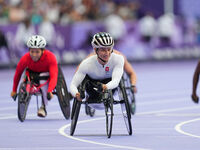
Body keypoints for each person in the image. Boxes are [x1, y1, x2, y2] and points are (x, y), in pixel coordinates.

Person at [70, 32, 124, 107]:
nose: (107, 53)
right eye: (103, 50)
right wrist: (76, 94)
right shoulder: (86, 64)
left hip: (110, 87)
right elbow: (73, 84)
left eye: (109, 49)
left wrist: (106, 86)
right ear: (95, 50)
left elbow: (116, 80)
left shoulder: (118, 59)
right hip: (92, 90)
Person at [11, 35, 58, 117]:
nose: (34, 55)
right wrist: (14, 90)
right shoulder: (25, 58)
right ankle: (25, 95)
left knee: (43, 80)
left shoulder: (50, 57)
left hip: (45, 76)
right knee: (25, 80)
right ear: (29, 50)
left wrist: (50, 90)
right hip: (32, 75)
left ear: (43, 51)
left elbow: (54, 76)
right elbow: (17, 74)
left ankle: (43, 107)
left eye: (37, 52)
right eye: (32, 51)